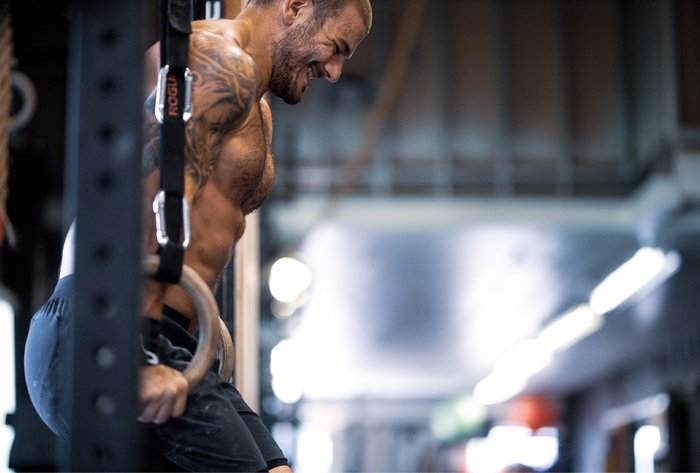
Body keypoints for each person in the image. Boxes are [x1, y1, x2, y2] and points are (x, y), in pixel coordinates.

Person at [24, 0, 372, 470]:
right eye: (336, 49)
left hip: (169, 337)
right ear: (295, 7)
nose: (333, 72)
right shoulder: (218, 64)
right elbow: (143, 196)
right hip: (108, 325)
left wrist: (202, 323)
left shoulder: (255, 104)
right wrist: (131, 355)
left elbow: (205, 226)